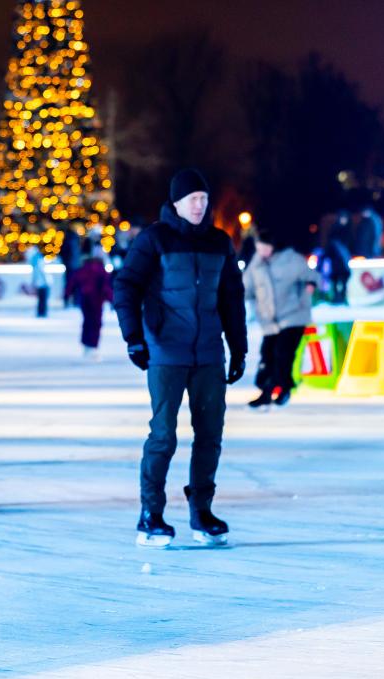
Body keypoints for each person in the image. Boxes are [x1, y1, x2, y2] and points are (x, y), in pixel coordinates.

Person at [114, 168, 247, 548]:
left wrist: (238, 347)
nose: (200, 205)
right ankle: (150, 514)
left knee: (210, 435)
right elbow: (126, 286)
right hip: (166, 351)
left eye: (204, 199)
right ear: (177, 202)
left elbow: (232, 299)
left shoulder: (219, 243)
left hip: (208, 353)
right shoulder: (154, 240)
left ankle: (201, 512)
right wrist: (134, 339)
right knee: (163, 435)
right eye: (193, 199)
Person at [243, 228, 318, 408]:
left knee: (283, 353)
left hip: (293, 316)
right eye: (258, 249)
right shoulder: (256, 264)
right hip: (270, 320)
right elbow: (246, 288)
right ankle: (266, 391)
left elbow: (313, 277)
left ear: (273, 246)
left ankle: (284, 388)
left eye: (264, 248)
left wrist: (310, 286)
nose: (261, 253)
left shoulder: (292, 260)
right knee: (266, 355)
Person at [66, 240, 114, 360]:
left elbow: (73, 281)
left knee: (87, 321)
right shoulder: (100, 269)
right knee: (95, 323)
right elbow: (106, 287)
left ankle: (87, 344)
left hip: (85, 298)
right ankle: (92, 346)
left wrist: (68, 294)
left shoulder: (83, 268)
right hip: (96, 300)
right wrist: (112, 299)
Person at [27, 245, 50, 318]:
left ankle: (42, 313)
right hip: (42, 283)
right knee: (42, 299)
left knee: (42, 299)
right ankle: (42, 313)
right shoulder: (37, 260)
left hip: (43, 283)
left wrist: (46, 281)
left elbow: (42, 272)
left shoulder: (37, 261)